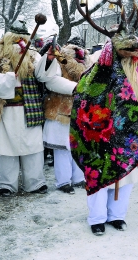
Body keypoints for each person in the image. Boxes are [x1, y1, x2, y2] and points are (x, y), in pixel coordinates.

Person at [71, 0, 138, 236]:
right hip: (101, 134)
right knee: (99, 174)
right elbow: (85, 96)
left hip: (128, 132)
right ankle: (96, 218)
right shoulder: (98, 71)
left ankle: (117, 215)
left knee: (126, 177)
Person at [0, 20, 47, 197]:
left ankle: (35, 182)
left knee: (32, 147)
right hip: (5, 109)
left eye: (20, 37)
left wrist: (50, 60)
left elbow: (43, 74)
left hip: (30, 108)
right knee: (5, 148)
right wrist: (8, 79)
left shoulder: (32, 54)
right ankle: (6, 184)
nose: (17, 41)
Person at [35, 36, 91, 194]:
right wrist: (77, 87)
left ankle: (78, 177)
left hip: (80, 111)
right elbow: (50, 81)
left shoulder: (88, 62)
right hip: (60, 110)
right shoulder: (61, 60)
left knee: (77, 145)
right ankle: (64, 181)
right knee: (63, 148)